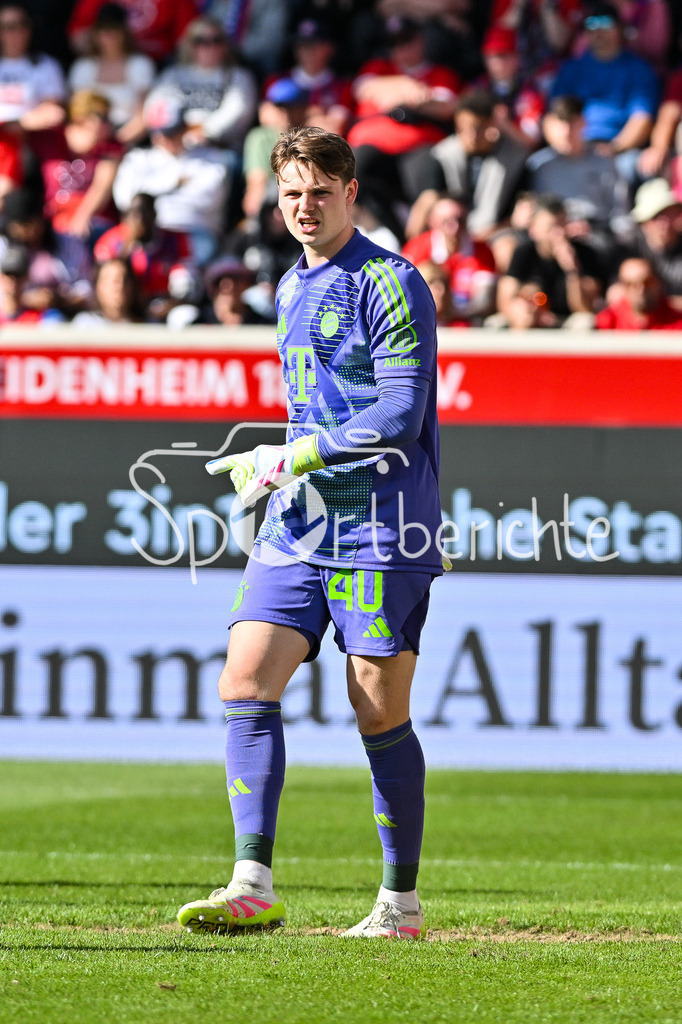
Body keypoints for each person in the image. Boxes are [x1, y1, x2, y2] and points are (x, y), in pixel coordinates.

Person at [176, 126, 446, 940]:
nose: (304, 206)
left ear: (351, 192)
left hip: (380, 525)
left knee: (375, 705)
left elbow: (400, 410)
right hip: (299, 523)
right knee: (245, 680)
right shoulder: (292, 287)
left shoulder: (390, 283)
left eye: (320, 191)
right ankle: (250, 883)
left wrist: (298, 451)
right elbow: (317, 408)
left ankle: (399, 904)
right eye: (292, 192)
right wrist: (277, 461)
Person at [348, 16, 461, 238]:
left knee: (426, 183)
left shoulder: (441, 74)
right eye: (394, 43)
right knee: (352, 169)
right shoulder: (378, 67)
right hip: (374, 143)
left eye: (407, 40)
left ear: (420, 41)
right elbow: (363, 88)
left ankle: (416, 241)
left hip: (420, 145)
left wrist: (398, 96)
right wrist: (406, 86)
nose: (401, 48)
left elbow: (446, 106)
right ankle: (388, 233)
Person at [113, 89, 228, 266]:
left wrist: (149, 192)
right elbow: (124, 198)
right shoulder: (137, 158)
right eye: (158, 133)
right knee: (116, 251)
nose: (163, 139)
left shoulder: (211, 159)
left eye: (171, 132)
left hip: (193, 232)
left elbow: (207, 199)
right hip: (148, 233)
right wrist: (174, 182)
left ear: (184, 128)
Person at [549, 2, 659, 186]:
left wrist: (614, 148)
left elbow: (642, 120)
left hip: (619, 151)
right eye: (592, 25)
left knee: (631, 169)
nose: (598, 31)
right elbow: (552, 117)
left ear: (620, 29)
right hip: (573, 147)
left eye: (605, 24)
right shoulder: (571, 69)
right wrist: (566, 146)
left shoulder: (639, 70)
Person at [407, 90, 529, 240]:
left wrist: (482, 236)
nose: (470, 136)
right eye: (463, 128)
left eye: (478, 128)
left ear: (493, 126)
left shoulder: (513, 158)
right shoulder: (443, 155)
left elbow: (518, 215)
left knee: (507, 246)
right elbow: (428, 201)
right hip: (449, 231)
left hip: (495, 232)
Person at [496, 192, 603, 326]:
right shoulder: (523, 253)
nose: (559, 234)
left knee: (584, 322)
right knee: (506, 319)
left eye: (562, 225)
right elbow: (505, 300)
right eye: (551, 227)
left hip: (566, 320)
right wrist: (525, 306)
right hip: (533, 318)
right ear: (533, 229)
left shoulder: (585, 254)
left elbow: (585, 309)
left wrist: (572, 272)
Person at [156, 16, 257, 154]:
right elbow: (157, 106)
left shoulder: (239, 77)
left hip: (219, 150)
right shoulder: (173, 75)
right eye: (201, 41)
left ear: (225, 45)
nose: (210, 47)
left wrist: (204, 130)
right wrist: (172, 131)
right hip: (172, 144)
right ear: (190, 45)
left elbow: (238, 112)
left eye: (216, 40)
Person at [67, 2, 155, 145]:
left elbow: (143, 117)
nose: (109, 36)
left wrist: (116, 144)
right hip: (88, 141)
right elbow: (75, 114)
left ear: (125, 32)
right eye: (104, 29)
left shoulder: (141, 65)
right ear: (95, 33)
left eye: (115, 29)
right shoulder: (82, 67)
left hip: (128, 140)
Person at [402, 193, 497, 323]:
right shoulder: (416, 249)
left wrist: (449, 309)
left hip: (467, 324)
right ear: (432, 221)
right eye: (447, 221)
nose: (455, 227)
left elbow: (484, 302)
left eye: (460, 220)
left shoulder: (482, 252)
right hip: (423, 322)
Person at [475, 25, 545, 150]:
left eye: (503, 55)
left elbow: (531, 142)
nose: (496, 62)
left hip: (516, 156)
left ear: (517, 57)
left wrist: (505, 124)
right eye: (490, 56)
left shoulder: (530, 93)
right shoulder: (477, 88)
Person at [622, 177, 682, 298]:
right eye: (656, 217)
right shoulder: (628, 247)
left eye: (668, 214)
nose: (665, 224)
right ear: (643, 223)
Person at [595, 256, 682, 328]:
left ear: (658, 282)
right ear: (622, 286)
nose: (640, 290)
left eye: (647, 282)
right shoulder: (607, 321)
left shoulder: (677, 320)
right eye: (630, 284)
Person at [71, 254, 146, 325]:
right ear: (97, 286)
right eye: (112, 280)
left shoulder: (145, 326)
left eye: (125, 280)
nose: (120, 286)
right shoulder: (84, 324)